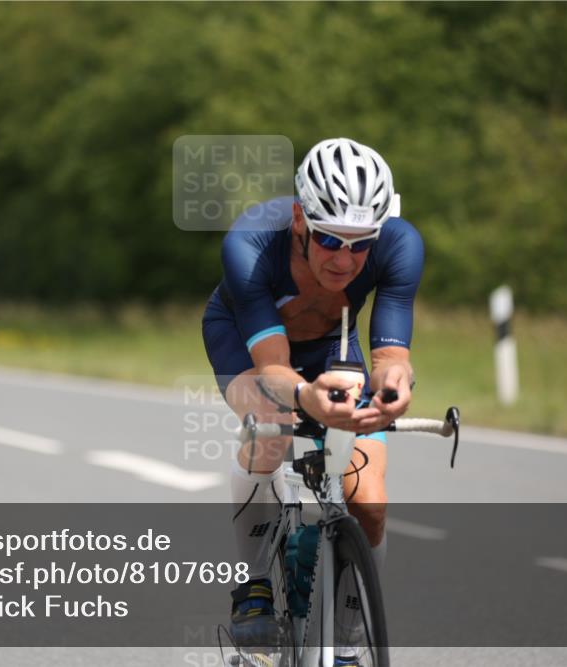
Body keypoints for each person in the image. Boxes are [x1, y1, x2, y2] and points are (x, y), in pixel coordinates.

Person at [201, 138, 424, 661]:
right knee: (270, 420)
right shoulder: (251, 242)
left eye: (360, 243)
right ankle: (253, 587)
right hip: (247, 340)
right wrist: (305, 396)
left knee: (367, 497)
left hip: (332, 342)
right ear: (300, 218)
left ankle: (346, 644)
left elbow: (392, 352)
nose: (344, 259)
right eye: (329, 240)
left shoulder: (400, 244)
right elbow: (274, 369)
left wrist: (395, 387)